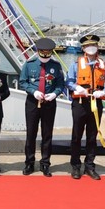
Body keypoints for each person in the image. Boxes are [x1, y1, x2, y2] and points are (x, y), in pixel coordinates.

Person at [66, 34, 105, 180]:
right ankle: (75, 166)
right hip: (80, 103)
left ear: (98, 47)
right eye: (87, 46)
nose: (90, 48)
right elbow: (68, 81)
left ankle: (90, 165)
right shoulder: (76, 65)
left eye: (93, 45)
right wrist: (76, 88)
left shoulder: (104, 65)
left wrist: (104, 91)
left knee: (92, 136)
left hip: (96, 102)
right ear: (83, 48)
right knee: (76, 135)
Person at [18, 38, 65, 177]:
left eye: (48, 53)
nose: (45, 55)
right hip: (33, 102)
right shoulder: (29, 65)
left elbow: (60, 84)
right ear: (38, 52)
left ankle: (45, 163)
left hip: (49, 103)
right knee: (31, 134)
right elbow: (22, 82)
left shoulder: (56, 66)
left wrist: (54, 94)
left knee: (47, 134)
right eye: (43, 52)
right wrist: (34, 91)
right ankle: (29, 162)